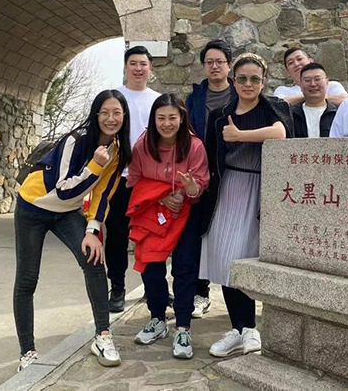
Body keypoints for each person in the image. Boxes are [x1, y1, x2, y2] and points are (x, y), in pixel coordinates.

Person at [13, 90, 132, 371]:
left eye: (117, 113)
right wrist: (95, 166)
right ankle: (27, 352)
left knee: (94, 261)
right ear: (96, 114)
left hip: (66, 213)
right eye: (105, 112)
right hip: (33, 207)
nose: (111, 119)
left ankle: (103, 335)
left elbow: (103, 194)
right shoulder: (75, 140)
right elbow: (63, 189)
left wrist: (92, 230)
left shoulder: (117, 151)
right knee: (27, 279)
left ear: (124, 116)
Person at [199, 53, 292, 358]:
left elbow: (281, 133)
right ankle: (240, 329)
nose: (248, 84)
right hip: (228, 189)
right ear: (233, 80)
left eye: (255, 78)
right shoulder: (221, 113)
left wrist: (240, 135)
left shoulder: (272, 107)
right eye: (242, 78)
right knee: (226, 258)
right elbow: (210, 154)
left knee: (245, 257)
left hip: (262, 189)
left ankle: (249, 328)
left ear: (263, 82)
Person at [126, 94, 210, 359]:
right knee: (151, 265)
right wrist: (161, 196)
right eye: (161, 118)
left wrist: (191, 189)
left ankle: (183, 327)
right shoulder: (143, 145)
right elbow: (133, 179)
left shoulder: (194, 146)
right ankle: (157, 318)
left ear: (182, 118)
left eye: (172, 117)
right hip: (153, 211)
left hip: (185, 214)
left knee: (184, 268)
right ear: (153, 119)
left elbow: (200, 186)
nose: (166, 123)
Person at [185, 39, 237, 318]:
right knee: (199, 232)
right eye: (209, 62)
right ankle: (200, 293)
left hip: (235, 171)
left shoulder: (240, 93)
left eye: (220, 62)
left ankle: (239, 295)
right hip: (202, 173)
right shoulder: (194, 98)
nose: (214, 66)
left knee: (235, 233)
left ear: (229, 65)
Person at [106, 46, 160, 312]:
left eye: (143, 64)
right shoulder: (114, 98)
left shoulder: (158, 101)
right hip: (118, 178)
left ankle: (153, 288)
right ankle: (117, 287)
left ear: (150, 68)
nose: (138, 68)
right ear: (126, 67)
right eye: (133, 63)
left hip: (148, 181)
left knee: (149, 236)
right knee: (116, 236)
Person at [274, 46, 348, 106]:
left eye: (299, 59)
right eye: (291, 63)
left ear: (311, 61)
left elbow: (345, 101)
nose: (296, 64)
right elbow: (277, 105)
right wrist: (310, 95)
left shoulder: (331, 86)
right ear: (287, 72)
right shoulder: (283, 91)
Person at [291, 63, 338, 138]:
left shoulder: (337, 114)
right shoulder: (292, 115)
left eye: (317, 79)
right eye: (307, 80)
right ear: (300, 85)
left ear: (327, 82)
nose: (313, 84)